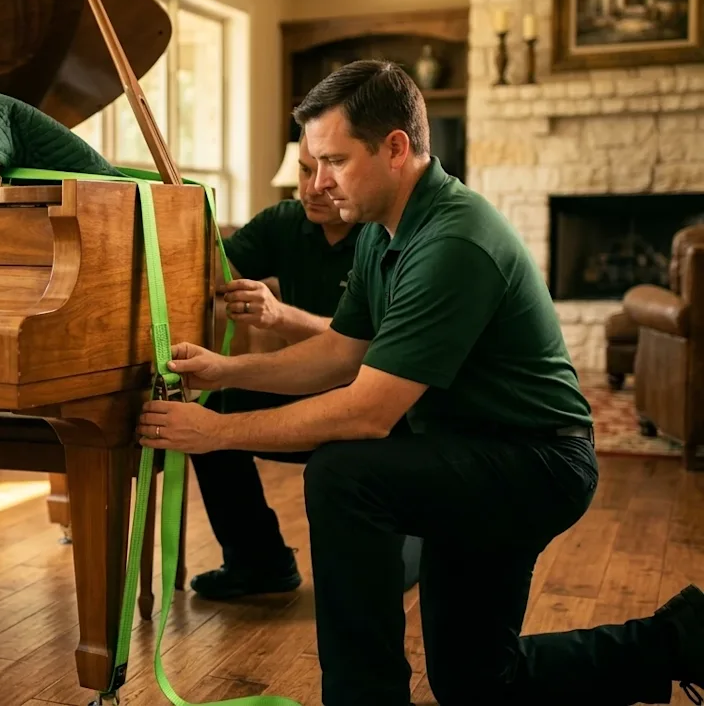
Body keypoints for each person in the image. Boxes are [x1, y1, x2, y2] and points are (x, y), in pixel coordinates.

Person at [138, 59, 702, 706]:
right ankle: (683, 638)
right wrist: (225, 370)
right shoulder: (382, 232)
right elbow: (343, 354)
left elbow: (367, 412)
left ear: (397, 149)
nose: (317, 185)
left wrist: (218, 432)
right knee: (477, 681)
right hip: (470, 452)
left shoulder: (452, 241)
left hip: (534, 462)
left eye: (334, 161)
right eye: (311, 163)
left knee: (345, 473)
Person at [190, 132, 423, 601]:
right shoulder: (283, 222)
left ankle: (414, 537)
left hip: (382, 401)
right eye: (302, 170)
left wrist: (282, 316)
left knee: (388, 576)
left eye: (329, 166)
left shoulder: (382, 233)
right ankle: (258, 562)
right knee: (208, 412)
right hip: (310, 381)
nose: (314, 186)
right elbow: (208, 269)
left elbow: (369, 350)